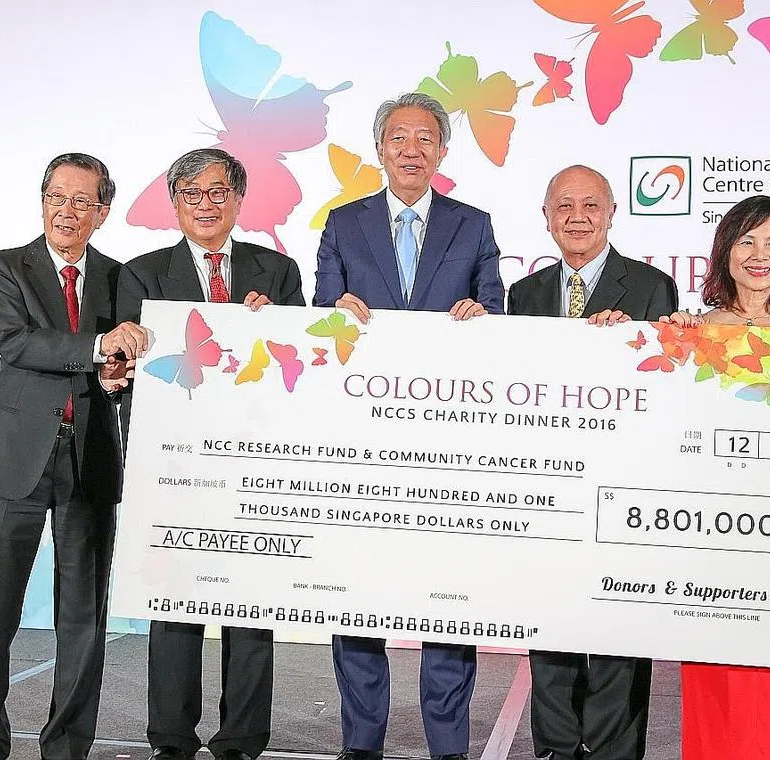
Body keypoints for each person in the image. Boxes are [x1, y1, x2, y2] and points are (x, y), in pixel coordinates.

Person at [314, 92, 505, 760]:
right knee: (355, 597)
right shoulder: (343, 225)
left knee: (447, 597)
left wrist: (483, 318)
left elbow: (496, 317)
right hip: (361, 443)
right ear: (380, 148)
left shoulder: (473, 226)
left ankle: (448, 746)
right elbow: (319, 324)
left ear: (443, 151)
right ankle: (361, 742)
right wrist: (333, 314)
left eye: (426, 138)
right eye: (399, 137)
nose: (412, 150)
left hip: (449, 445)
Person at [0, 153, 148, 760]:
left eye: (82, 201)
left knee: (84, 619)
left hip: (89, 457)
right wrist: (98, 347)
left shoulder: (121, 278)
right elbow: (16, 343)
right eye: (56, 198)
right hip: (10, 458)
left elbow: (124, 363)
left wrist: (116, 375)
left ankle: (66, 748)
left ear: (103, 212)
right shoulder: (6, 265)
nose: (67, 211)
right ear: (42, 202)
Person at [116, 148, 305, 760]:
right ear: (175, 203)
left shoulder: (278, 272)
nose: (206, 204)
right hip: (176, 465)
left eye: (219, 192)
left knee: (251, 603)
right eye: (191, 194)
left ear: (239, 200)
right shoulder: (141, 275)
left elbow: (300, 366)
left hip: (255, 458)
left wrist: (276, 329)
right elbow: (128, 371)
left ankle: (242, 739)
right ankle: (171, 738)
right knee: (175, 603)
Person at [508, 164, 677, 760]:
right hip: (547, 482)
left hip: (622, 480)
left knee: (617, 626)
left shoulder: (652, 287)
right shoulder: (523, 295)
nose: (576, 217)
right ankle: (555, 744)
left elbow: (663, 380)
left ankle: (613, 747)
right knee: (549, 618)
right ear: (546, 217)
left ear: (611, 214)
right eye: (563, 206)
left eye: (590, 206)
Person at [663, 194, 770, 760]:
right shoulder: (693, 331)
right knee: (723, 689)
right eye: (747, 241)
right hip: (715, 541)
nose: (760, 255)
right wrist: (672, 345)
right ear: (726, 251)